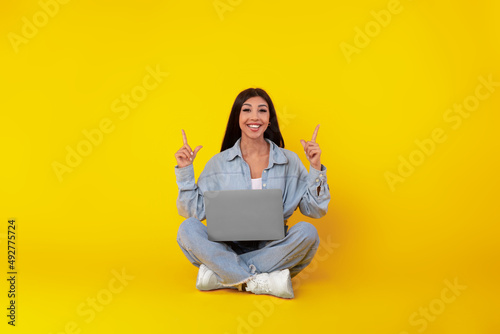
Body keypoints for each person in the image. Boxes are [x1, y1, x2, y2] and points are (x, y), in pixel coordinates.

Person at [174, 88, 330, 298]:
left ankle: (223, 274)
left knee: (308, 232)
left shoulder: (289, 161)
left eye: (262, 111)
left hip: (272, 247)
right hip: (225, 245)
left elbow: (315, 210)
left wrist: (316, 167)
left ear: (269, 119)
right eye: (247, 110)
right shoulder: (218, 163)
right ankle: (259, 281)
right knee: (187, 228)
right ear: (237, 118)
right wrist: (185, 170)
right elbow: (192, 211)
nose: (254, 117)